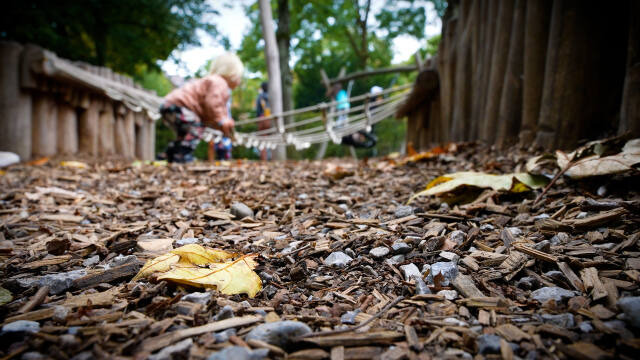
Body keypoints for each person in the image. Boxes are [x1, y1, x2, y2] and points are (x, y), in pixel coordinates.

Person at [160, 53, 243, 162]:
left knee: (184, 135)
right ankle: (182, 155)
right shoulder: (220, 82)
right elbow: (213, 104)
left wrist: (220, 124)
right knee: (196, 129)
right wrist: (222, 120)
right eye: (239, 77)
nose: (239, 81)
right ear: (232, 74)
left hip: (170, 105)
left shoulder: (211, 81)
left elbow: (209, 112)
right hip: (181, 106)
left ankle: (168, 154)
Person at [255, 82, 271, 160]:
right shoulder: (272, 96)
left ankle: (263, 159)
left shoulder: (260, 97)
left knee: (262, 140)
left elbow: (258, 109)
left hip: (262, 119)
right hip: (271, 119)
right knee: (273, 139)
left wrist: (258, 119)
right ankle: (273, 158)